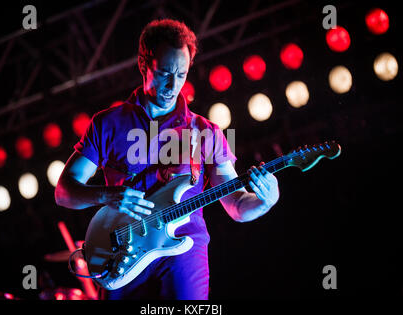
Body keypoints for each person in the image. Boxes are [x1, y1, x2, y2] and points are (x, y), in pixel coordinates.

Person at [55, 19, 279, 300]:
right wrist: (107, 195)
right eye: (163, 73)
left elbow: (237, 206)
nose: (173, 85)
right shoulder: (107, 124)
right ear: (142, 64)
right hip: (124, 251)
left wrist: (265, 200)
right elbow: (63, 192)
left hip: (183, 252)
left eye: (182, 74)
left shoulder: (206, 132)